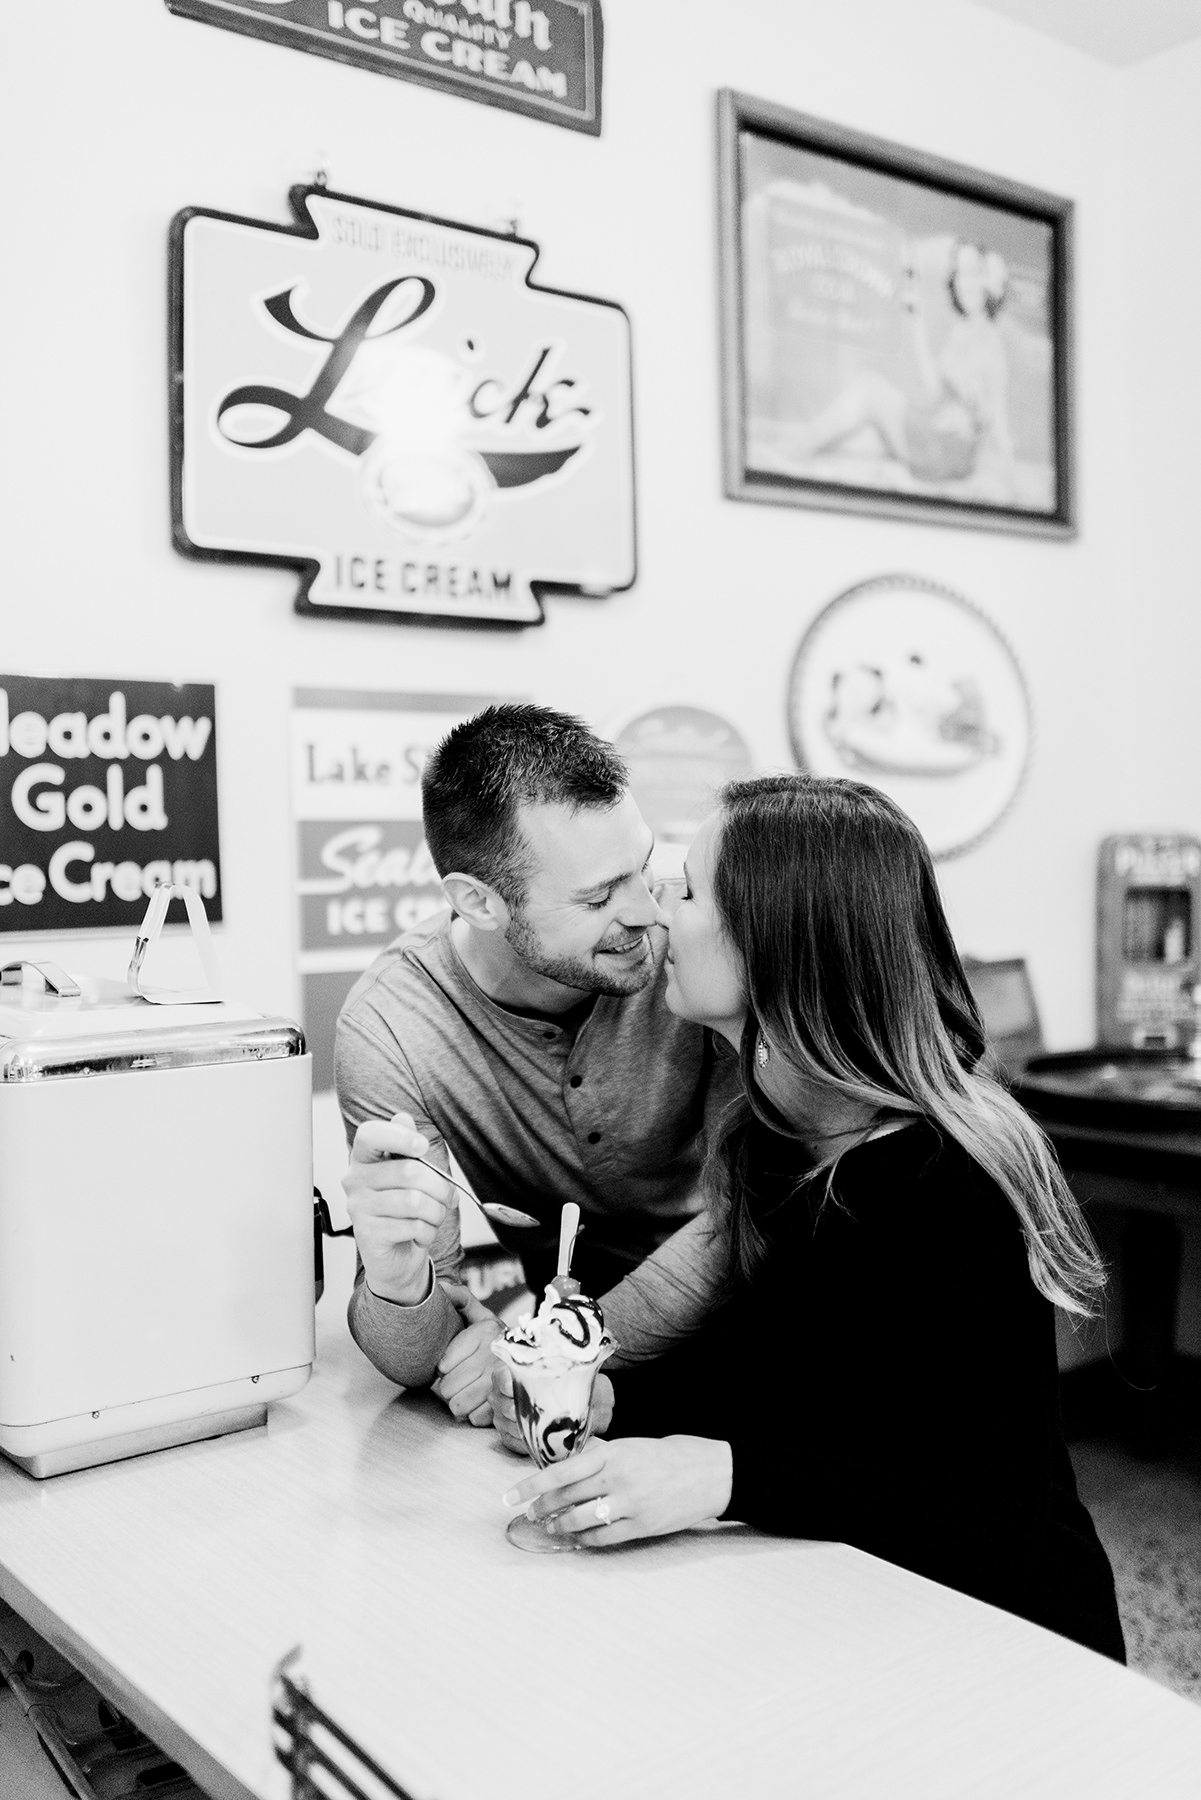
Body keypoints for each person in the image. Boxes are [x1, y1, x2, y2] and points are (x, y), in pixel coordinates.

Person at [502, 774, 1126, 1663]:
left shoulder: (950, 1178)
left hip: (1005, 1634)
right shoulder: (776, 1145)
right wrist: (612, 1400)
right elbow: (777, 1386)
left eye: (686, 891)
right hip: (851, 1605)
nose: (655, 917)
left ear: (781, 940)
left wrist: (722, 1474)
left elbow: (968, 1487)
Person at [337, 704, 734, 1428]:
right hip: (592, 1390)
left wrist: (556, 1343)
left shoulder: (700, 935)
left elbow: (753, 1214)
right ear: (477, 902)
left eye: (643, 866)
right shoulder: (392, 1027)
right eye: (596, 896)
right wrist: (396, 1279)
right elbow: (420, 1353)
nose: (648, 911)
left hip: (765, 1344)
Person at [779, 240, 1018, 497]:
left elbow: (995, 413)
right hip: (937, 439)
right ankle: (791, 457)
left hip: (946, 449)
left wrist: (1003, 472)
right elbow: (935, 391)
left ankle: (792, 451)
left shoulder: (990, 342)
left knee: (868, 389)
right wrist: (918, 324)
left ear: (988, 280)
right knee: (859, 439)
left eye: (972, 272)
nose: (964, 283)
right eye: (959, 273)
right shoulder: (961, 332)